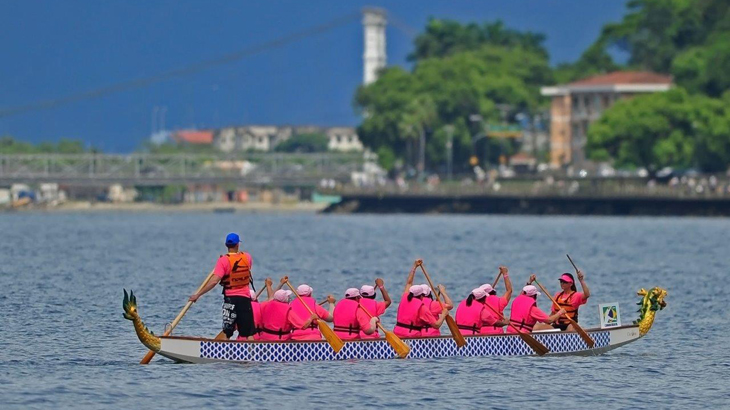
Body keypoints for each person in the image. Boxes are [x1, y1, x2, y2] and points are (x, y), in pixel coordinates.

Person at [188, 233, 256, 341]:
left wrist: (198, 295)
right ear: (238, 244)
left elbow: (214, 281)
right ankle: (253, 354)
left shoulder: (223, 261)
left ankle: (223, 354)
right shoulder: (247, 257)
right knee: (249, 332)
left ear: (226, 245)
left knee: (227, 332)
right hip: (244, 299)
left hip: (230, 299)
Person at [480, 265, 513, 334]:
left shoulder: (478, 301)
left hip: (481, 332)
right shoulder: (499, 301)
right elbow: (509, 290)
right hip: (496, 331)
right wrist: (505, 274)